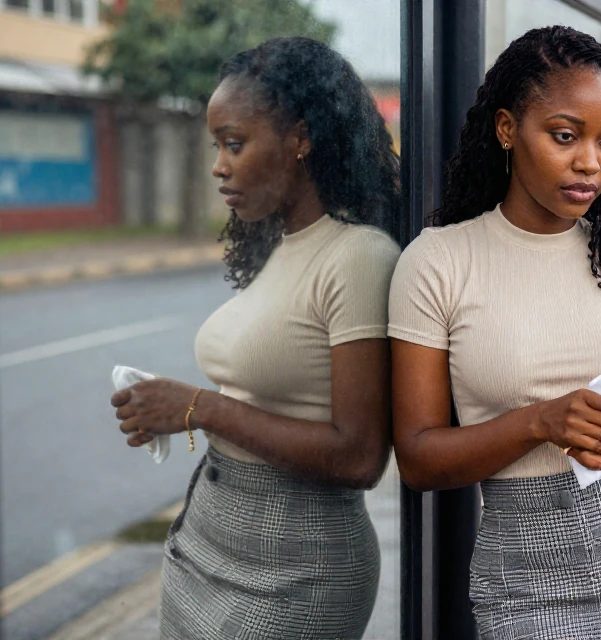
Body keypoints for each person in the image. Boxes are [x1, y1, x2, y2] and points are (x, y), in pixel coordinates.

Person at [388, 26, 601, 638]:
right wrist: (541, 422)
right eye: (564, 135)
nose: (590, 163)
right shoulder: (438, 263)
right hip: (526, 584)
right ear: (507, 129)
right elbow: (418, 458)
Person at [108, 37, 401, 639]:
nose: (219, 165)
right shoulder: (280, 246)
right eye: (216, 146)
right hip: (207, 543)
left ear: (300, 139)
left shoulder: (359, 257)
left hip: (297, 567)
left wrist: (198, 407)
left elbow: (359, 456)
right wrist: (168, 408)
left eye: (234, 143)